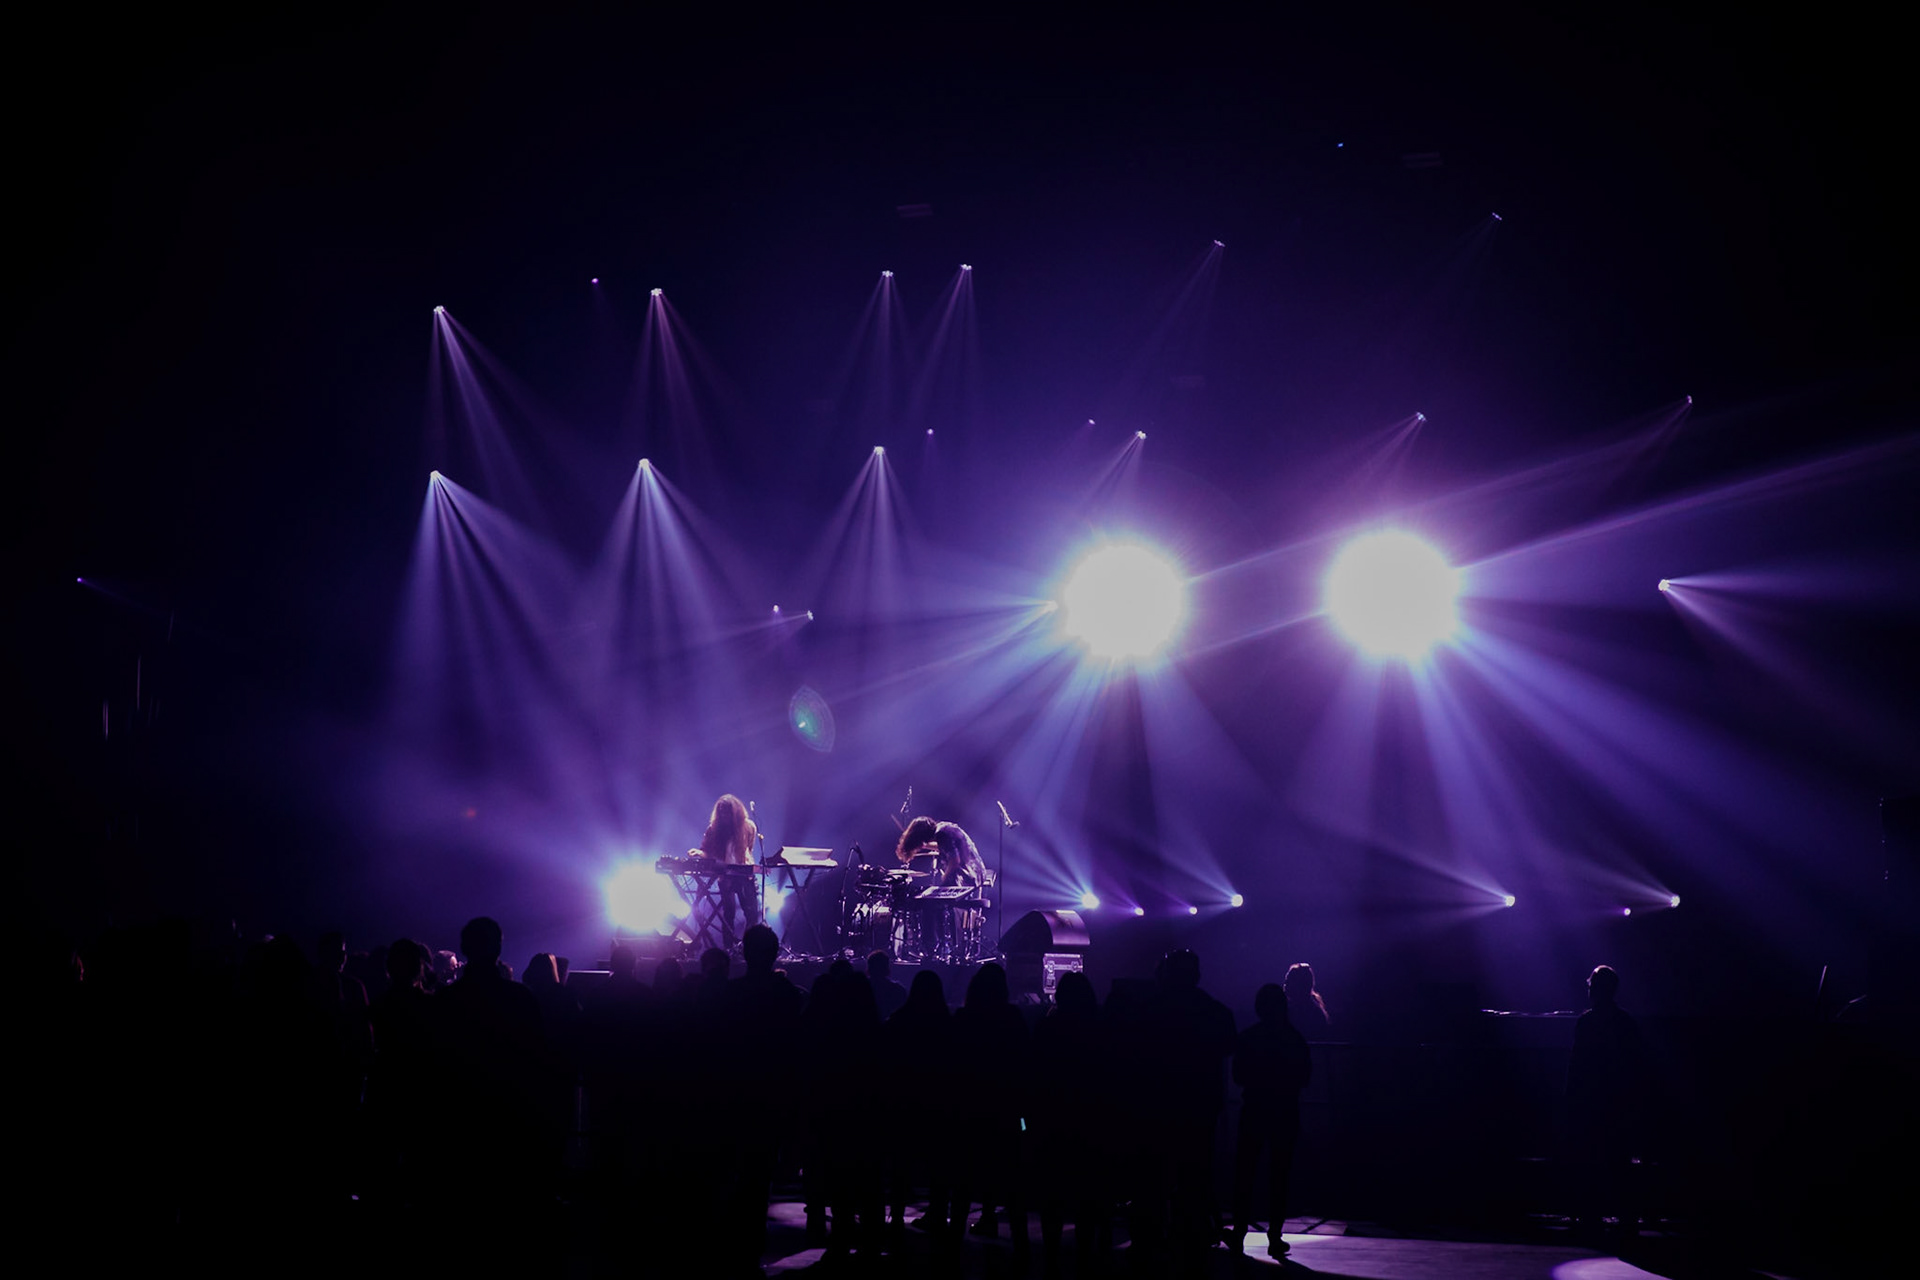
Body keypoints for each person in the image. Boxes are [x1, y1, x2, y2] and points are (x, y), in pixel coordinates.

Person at [1230, 983, 1312, 1257]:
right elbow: (1304, 1078)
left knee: (1245, 1173)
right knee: (1280, 1175)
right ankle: (1275, 1236)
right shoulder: (1294, 1038)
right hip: (1285, 1110)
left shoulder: (1248, 1037)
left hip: (1254, 1108)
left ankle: (1239, 1231)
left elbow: (1238, 1076)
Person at [1567, 964, 1645, 1240]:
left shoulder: (1587, 1022)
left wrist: (1572, 1101)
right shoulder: (1626, 1022)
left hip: (1593, 1101)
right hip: (1619, 1101)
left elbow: (1577, 1066)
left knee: (1591, 1161)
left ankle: (1591, 1217)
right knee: (1619, 1163)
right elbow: (1637, 1066)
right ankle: (1626, 1219)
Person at [896, 816, 988, 960]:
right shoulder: (944, 828)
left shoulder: (942, 833)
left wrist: (944, 879)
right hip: (973, 876)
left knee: (928, 903)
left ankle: (931, 948)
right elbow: (946, 847)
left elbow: (955, 861)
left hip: (967, 879)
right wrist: (925, 846)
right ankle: (944, 946)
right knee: (933, 901)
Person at [694, 793, 761, 948]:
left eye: (727, 812)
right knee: (728, 913)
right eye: (721, 812)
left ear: (735, 812)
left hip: (744, 874)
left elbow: (749, 849)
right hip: (725, 876)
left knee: (751, 913)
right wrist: (699, 854)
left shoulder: (749, 826)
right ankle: (729, 948)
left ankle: (748, 947)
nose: (724, 815)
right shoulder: (714, 829)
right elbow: (707, 851)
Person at [1284, 963, 1331, 1038]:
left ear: (1301, 985)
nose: (1285, 985)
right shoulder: (1288, 1009)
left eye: (1289, 981)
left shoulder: (1314, 1014)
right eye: (1286, 981)